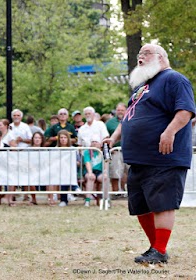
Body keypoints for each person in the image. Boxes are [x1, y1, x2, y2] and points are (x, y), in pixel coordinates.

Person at [106, 44, 195, 264]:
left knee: (162, 203)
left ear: (162, 57)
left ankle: (160, 250)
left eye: (146, 54)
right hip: (139, 157)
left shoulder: (175, 79)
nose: (140, 58)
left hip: (163, 157)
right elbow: (129, 115)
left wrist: (169, 132)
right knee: (140, 205)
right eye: (139, 54)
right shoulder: (142, 87)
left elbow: (186, 110)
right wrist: (114, 136)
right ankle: (155, 248)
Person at [105, 103, 128, 196]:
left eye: (122, 110)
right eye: (118, 110)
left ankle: (126, 192)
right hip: (115, 150)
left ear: (126, 110)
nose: (120, 112)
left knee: (129, 172)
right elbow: (105, 135)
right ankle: (115, 193)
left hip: (128, 149)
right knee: (115, 172)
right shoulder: (110, 122)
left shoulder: (130, 119)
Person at [82, 135, 109, 207]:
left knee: (105, 178)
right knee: (91, 177)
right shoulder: (87, 152)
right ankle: (87, 200)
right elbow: (87, 163)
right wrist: (90, 173)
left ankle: (106, 199)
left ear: (100, 144)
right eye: (92, 142)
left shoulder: (104, 152)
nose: (94, 143)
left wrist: (105, 171)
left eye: (96, 142)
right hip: (90, 170)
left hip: (100, 171)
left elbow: (106, 163)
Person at [56, 130, 80, 207]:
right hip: (58, 171)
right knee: (64, 173)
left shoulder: (73, 149)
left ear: (68, 139)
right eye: (61, 137)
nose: (63, 139)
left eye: (65, 137)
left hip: (71, 171)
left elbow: (78, 162)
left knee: (66, 172)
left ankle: (64, 200)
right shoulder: (55, 149)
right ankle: (74, 187)